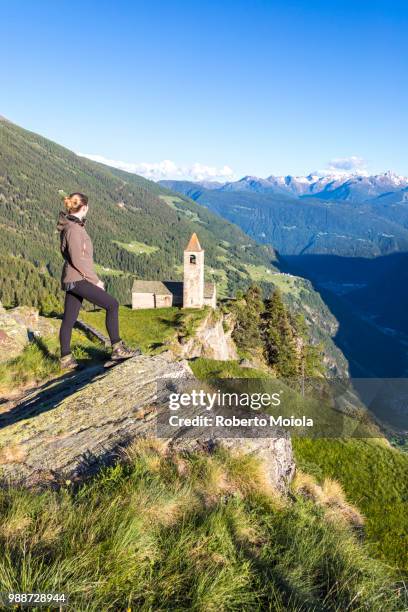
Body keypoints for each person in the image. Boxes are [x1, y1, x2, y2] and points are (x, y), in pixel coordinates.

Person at [57, 192, 140, 369]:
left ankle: (65, 359)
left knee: (69, 318)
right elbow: (78, 260)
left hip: (73, 278)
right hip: (78, 278)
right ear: (84, 207)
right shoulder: (73, 229)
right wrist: (95, 281)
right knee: (112, 305)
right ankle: (117, 348)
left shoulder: (72, 225)